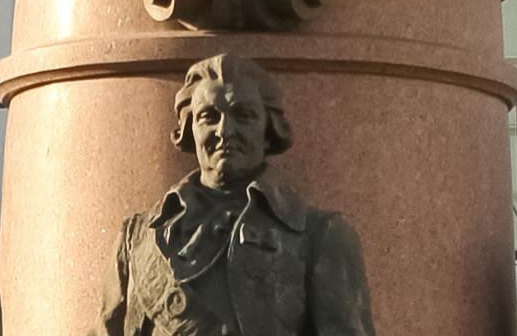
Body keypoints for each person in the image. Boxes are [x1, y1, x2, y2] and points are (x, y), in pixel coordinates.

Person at [103, 54, 375, 336]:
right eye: (209, 117)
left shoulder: (321, 236)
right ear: (189, 129)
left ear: (269, 129)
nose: (225, 131)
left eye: (243, 116)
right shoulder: (136, 239)